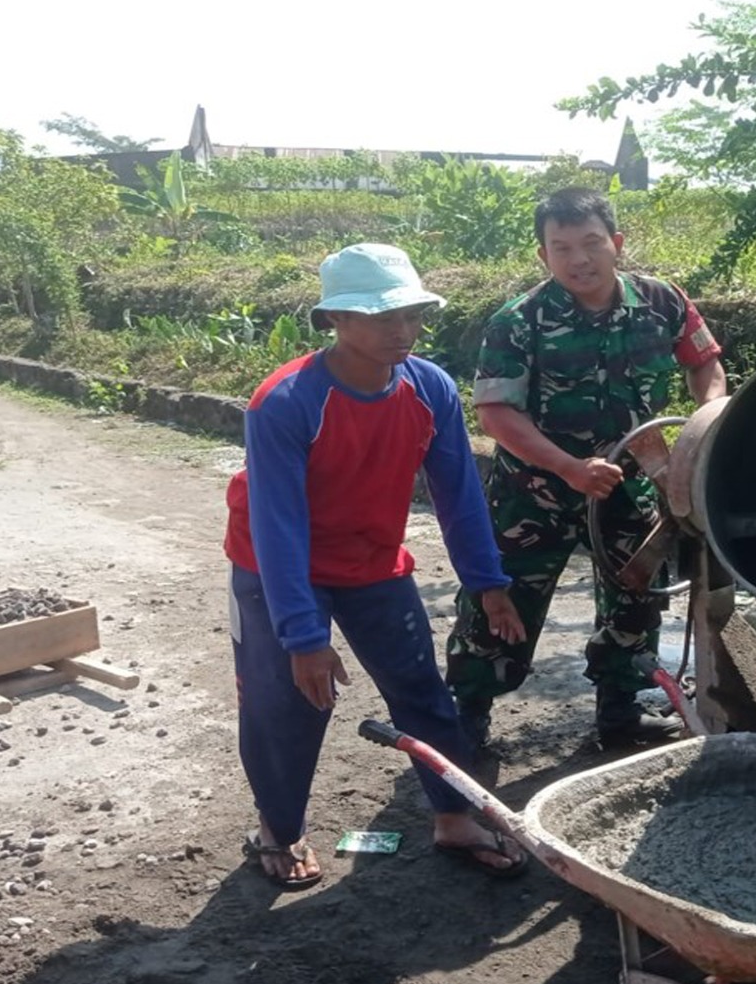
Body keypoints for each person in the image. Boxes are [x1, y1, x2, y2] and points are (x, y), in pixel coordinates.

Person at [225, 242, 529, 888]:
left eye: (412, 315)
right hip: (276, 567)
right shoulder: (284, 402)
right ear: (334, 318)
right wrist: (304, 637)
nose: (402, 331)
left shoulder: (429, 388)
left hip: (371, 561)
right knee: (289, 704)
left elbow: (459, 493)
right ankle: (278, 827)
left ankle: (453, 815)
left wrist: (488, 583)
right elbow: (279, 527)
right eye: (380, 316)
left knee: (423, 692)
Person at [446, 187, 728, 749]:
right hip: (535, 490)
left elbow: (706, 366)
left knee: (636, 596)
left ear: (616, 244)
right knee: (503, 598)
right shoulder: (518, 320)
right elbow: (497, 413)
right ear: (543, 256)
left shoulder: (662, 302)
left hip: (633, 482)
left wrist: (704, 430)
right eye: (562, 246)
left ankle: (619, 715)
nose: (579, 259)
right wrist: (569, 467)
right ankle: (469, 713)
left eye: (591, 243)